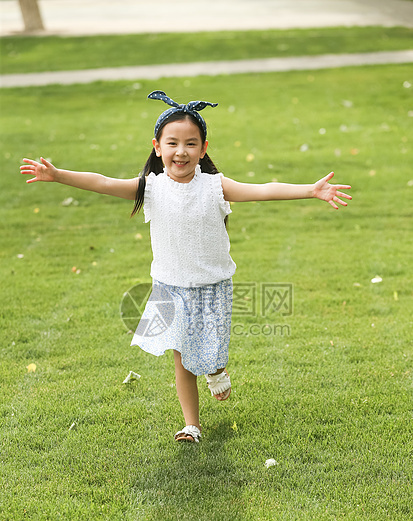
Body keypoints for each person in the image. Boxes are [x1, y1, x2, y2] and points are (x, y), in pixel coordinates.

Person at [20, 90, 352, 444]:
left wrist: (309, 190)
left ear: (203, 148)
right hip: (170, 286)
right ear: (157, 147)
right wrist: (59, 176)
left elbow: (263, 189)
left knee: (210, 350)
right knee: (181, 357)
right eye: (173, 143)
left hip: (212, 284)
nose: (182, 151)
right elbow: (102, 182)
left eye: (191, 144)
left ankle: (216, 369)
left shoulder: (215, 186)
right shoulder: (149, 188)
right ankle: (191, 425)